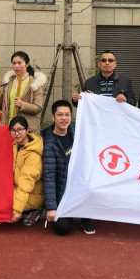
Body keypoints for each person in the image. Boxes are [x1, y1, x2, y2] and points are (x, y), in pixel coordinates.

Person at [43, 100, 96, 235]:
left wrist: (90, 100)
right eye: (60, 115)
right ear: (53, 117)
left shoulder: (75, 129)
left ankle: (85, 216)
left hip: (81, 184)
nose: (64, 118)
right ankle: (70, 210)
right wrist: (51, 207)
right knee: (62, 228)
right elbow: (49, 176)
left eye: (67, 115)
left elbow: (94, 120)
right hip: (64, 190)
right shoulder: (49, 144)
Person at [9, 115, 44, 226]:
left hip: (32, 194)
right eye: (13, 130)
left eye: (20, 129)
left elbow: (26, 182)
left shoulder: (33, 153)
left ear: (27, 130)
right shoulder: (15, 145)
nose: (16, 133)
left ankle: (35, 209)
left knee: (3, 204)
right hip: (16, 189)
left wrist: (17, 210)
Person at [0, 51, 46, 133]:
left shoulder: (35, 83)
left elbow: (38, 108)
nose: (16, 66)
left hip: (25, 128)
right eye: (14, 63)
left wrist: (22, 104)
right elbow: (2, 106)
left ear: (27, 64)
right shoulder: (8, 82)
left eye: (20, 63)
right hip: (8, 126)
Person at [72, 50, 136, 107]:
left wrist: (125, 99)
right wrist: (76, 100)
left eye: (110, 60)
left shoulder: (125, 81)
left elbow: (133, 103)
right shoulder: (89, 82)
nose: (107, 63)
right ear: (99, 64)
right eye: (103, 60)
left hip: (117, 116)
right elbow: (83, 104)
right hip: (97, 116)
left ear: (115, 64)